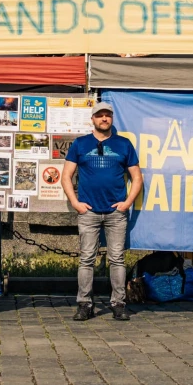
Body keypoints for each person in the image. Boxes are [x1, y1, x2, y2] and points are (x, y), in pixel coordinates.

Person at [62, 102, 142, 322]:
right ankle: (85, 304)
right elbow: (66, 176)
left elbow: (137, 177)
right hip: (88, 212)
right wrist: (75, 202)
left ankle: (118, 303)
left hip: (116, 213)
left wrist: (127, 202)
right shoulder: (80, 144)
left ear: (112, 119)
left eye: (108, 115)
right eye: (100, 115)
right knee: (86, 259)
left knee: (117, 259)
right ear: (93, 119)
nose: (104, 119)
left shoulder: (124, 144)